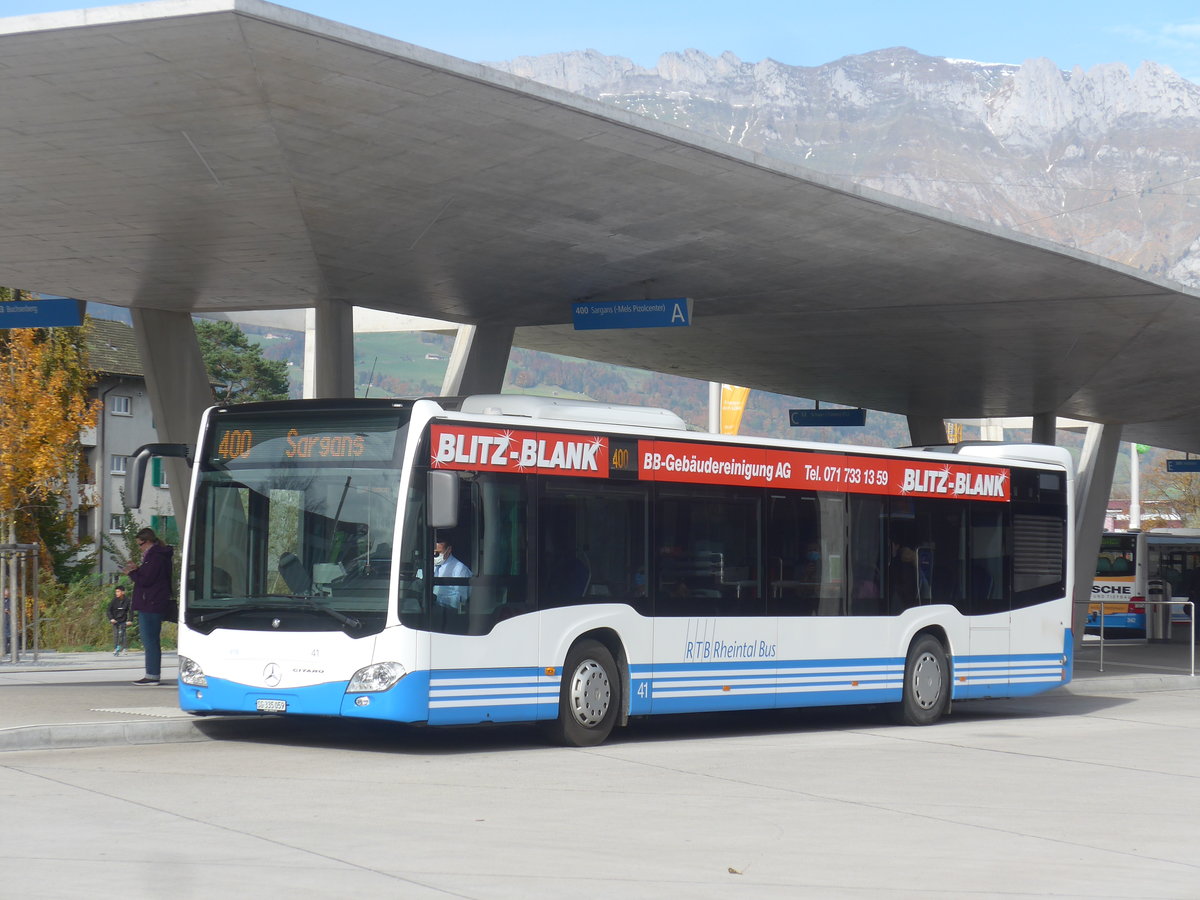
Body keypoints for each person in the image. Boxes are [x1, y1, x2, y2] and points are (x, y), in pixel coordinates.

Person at [122, 527, 174, 685]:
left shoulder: (155, 556)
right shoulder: (157, 556)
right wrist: (137, 569)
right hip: (153, 601)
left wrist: (131, 573)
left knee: (149, 639)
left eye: (140, 544)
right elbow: (149, 576)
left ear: (148, 541)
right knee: (151, 639)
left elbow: (146, 580)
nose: (139, 548)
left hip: (150, 602)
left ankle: (152, 675)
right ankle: (152, 673)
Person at [432, 539, 471, 611]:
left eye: (438, 553)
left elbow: (460, 599)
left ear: (449, 549)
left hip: (448, 612)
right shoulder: (427, 564)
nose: (435, 556)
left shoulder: (460, 569)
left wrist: (437, 599)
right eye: (434, 553)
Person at [107, 585, 132, 656]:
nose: (116, 593)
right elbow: (108, 610)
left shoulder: (127, 600)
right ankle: (116, 648)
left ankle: (124, 648)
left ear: (123, 592)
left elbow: (130, 611)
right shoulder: (114, 600)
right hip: (115, 620)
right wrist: (111, 618)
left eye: (118, 591)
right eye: (116, 592)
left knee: (123, 634)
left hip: (123, 620)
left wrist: (130, 620)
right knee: (116, 634)